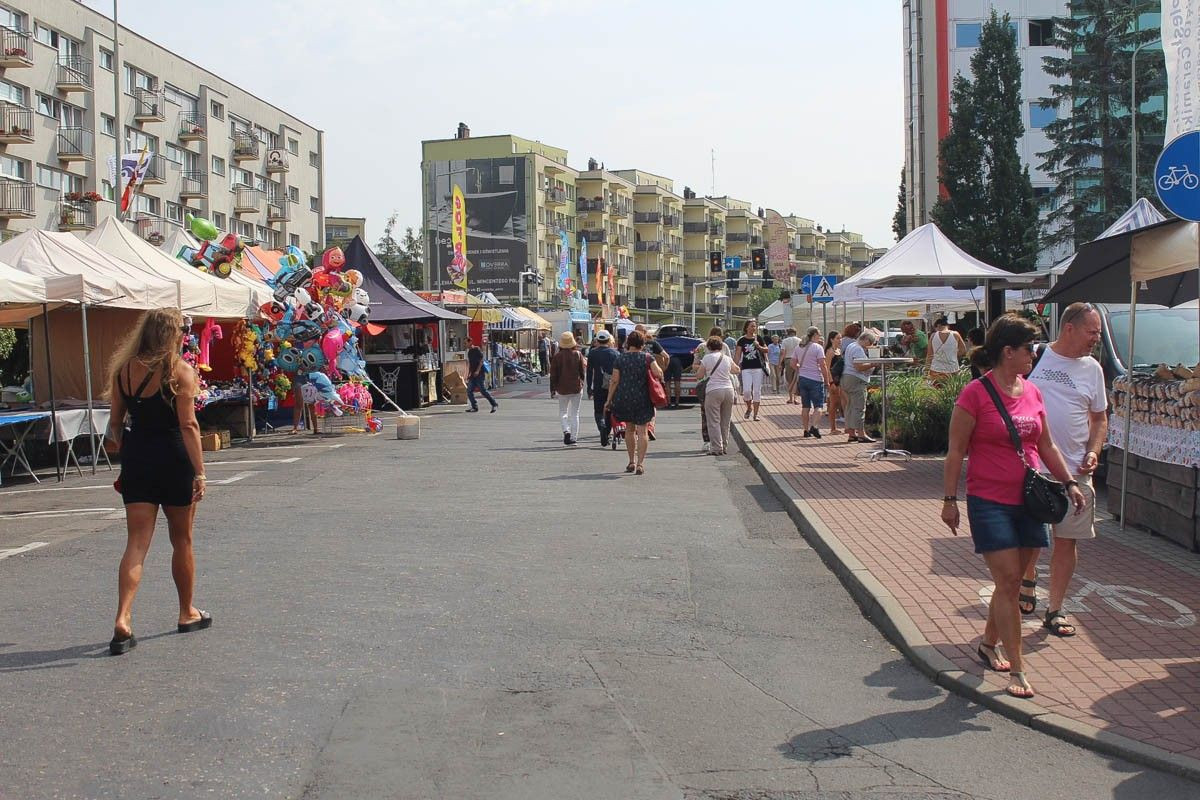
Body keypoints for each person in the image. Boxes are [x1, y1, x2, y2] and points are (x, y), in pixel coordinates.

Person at [941, 314, 1086, 699]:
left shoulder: (1032, 391)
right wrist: (950, 500)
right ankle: (1018, 669)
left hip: (1030, 501)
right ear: (1008, 352)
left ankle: (988, 644)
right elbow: (955, 451)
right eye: (1028, 349)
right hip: (989, 501)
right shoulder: (975, 394)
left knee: (1012, 582)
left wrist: (1069, 482)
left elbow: (1046, 445)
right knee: (1008, 581)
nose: (1033, 356)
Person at [103, 308, 210, 657]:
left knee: (136, 542)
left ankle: (123, 617)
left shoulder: (124, 370)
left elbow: (115, 423)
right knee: (182, 539)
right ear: (172, 334)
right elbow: (188, 425)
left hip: (138, 458)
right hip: (174, 458)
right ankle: (186, 612)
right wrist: (200, 471)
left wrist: (129, 451)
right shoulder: (180, 371)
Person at [1019, 302, 1107, 637]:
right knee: (1031, 537)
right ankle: (1028, 575)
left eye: (1098, 333)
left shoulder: (1093, 369)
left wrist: (1094, 450)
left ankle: (1054, 609)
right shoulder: (1035, 357)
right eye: (1091, 332)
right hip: (1034, 468)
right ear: (1069, 328)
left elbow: (1099, 418)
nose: (1096, 338)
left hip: (1075, 470)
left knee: (1067, 541)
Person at [604, 330, 663, 475]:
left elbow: (614, 381)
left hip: (624, 398)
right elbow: (658, 373)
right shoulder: (647, 358)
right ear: (642, 344)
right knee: (642, 431)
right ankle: (640, 464)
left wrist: (609, 400)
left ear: (628, 343)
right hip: (643, 398)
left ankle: (631, 461)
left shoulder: (620, 359)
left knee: (629, 430)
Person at [695, 335, 740, 456]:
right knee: (725, 421)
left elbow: (699, 375)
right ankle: (724, 446)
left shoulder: (707, 358)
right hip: (728, 390)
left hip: (713, 390)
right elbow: (736, 370)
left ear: (709, 347)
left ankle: (716, 448)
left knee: (713, 420)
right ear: (721, 346)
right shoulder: (726, 358)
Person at [692, 326, 730, 453]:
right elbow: (734, 368)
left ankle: (713, 443)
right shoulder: (706, 347)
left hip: (711, 386)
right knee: (722, 418)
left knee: (709, 416)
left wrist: (705, 368)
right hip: (720, 386)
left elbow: (696, 369)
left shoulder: (718, 348)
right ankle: (720, 444)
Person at [790, 326, 832, 439]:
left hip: (803, 379)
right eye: (819, 334)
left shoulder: (799, 347)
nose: (820, 337)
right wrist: (827, 380)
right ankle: (814, 426)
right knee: (818, 406)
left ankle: (806, 430)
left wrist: (801, 369)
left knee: (805, 406)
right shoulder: (818, 347)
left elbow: (792, 364)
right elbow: (823, 365)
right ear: (814, 335)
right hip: (816, 379)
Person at [840, 330, 878, 443]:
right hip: (856, 379)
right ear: (866, 339)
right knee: (859, 407)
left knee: (850, 406)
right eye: (870, 343)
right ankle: (861, 433)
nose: (869, 346)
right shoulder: (858, 348)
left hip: (847, 377)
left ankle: (851, 433)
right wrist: (872, 364)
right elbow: (858, 366)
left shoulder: (851, 346)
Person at [550, 331, 587, 445]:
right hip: (576, 387)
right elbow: (582, 372)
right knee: (575, 413)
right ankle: (574, 438)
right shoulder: (578, 354)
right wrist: (582, 383)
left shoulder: (557, 357)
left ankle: (566, 431)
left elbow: (553, 375)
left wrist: (553, 389)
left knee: (563, 412)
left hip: (562, 388)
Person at [585, 330, 619, 447]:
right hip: (612, 386)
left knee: (598, 411)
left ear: (597, 340)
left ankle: (602, 427)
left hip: (598, 385)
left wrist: (589, 388)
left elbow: (589, 372)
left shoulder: (593, 353)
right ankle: (607, 432)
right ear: (609, 340)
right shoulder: (615, 353)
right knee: (609, 410)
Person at [734, 320, 768, 421]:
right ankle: (749, 407)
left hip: (758, 368)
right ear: (746, 328)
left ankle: (755, 414)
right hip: (746, 368)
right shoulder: (741, 340)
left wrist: (759, 346)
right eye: (752, 326)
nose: (754, 328)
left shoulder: (759, 338)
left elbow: (766, 350)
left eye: (755, 326)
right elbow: (737, 355)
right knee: (746, 391)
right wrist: (734, 366)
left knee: (757, 391)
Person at [927, 317, 966, 383]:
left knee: (936, 388)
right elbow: (963, 350)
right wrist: (952, 356)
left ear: (937, 326)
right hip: (952, 368)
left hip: (936, 368)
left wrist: (926, 370)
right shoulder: (955, 334)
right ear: (948, 326)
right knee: (952, 388)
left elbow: (929, 354)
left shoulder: (933, 336)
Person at [466, 338, 498, 413]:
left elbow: (481, 360)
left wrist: (477, 371)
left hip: (479, 373)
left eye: (466, 343)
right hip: (473, 374)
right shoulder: (469, 352)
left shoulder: (476, 349)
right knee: (469, 391)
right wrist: (469, 374)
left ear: (470, 342)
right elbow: (470, 364)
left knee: (483, 390)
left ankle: (494, 404)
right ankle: (474, 407)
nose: (465, 345)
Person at [824, 331, 843, 435]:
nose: (840, 340)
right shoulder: (830, 352)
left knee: (840, 403)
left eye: (840, 338)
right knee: (834, 404)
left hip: (840, 379)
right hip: (834, 380)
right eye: (837, 338)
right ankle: (833, 428)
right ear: (832, 339)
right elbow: (827, 368)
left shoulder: (838, 350)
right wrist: (831, 382)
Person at [780, 328, 802, 404]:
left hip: (788, 360)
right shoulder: (800, 340)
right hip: (797, 360)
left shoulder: (785, 341)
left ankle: (790, 398)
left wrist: (780, 363)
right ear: (795, 333)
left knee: (789, 380)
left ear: (788, 333)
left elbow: (782, 352)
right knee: (795, 380)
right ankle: (795, 398)